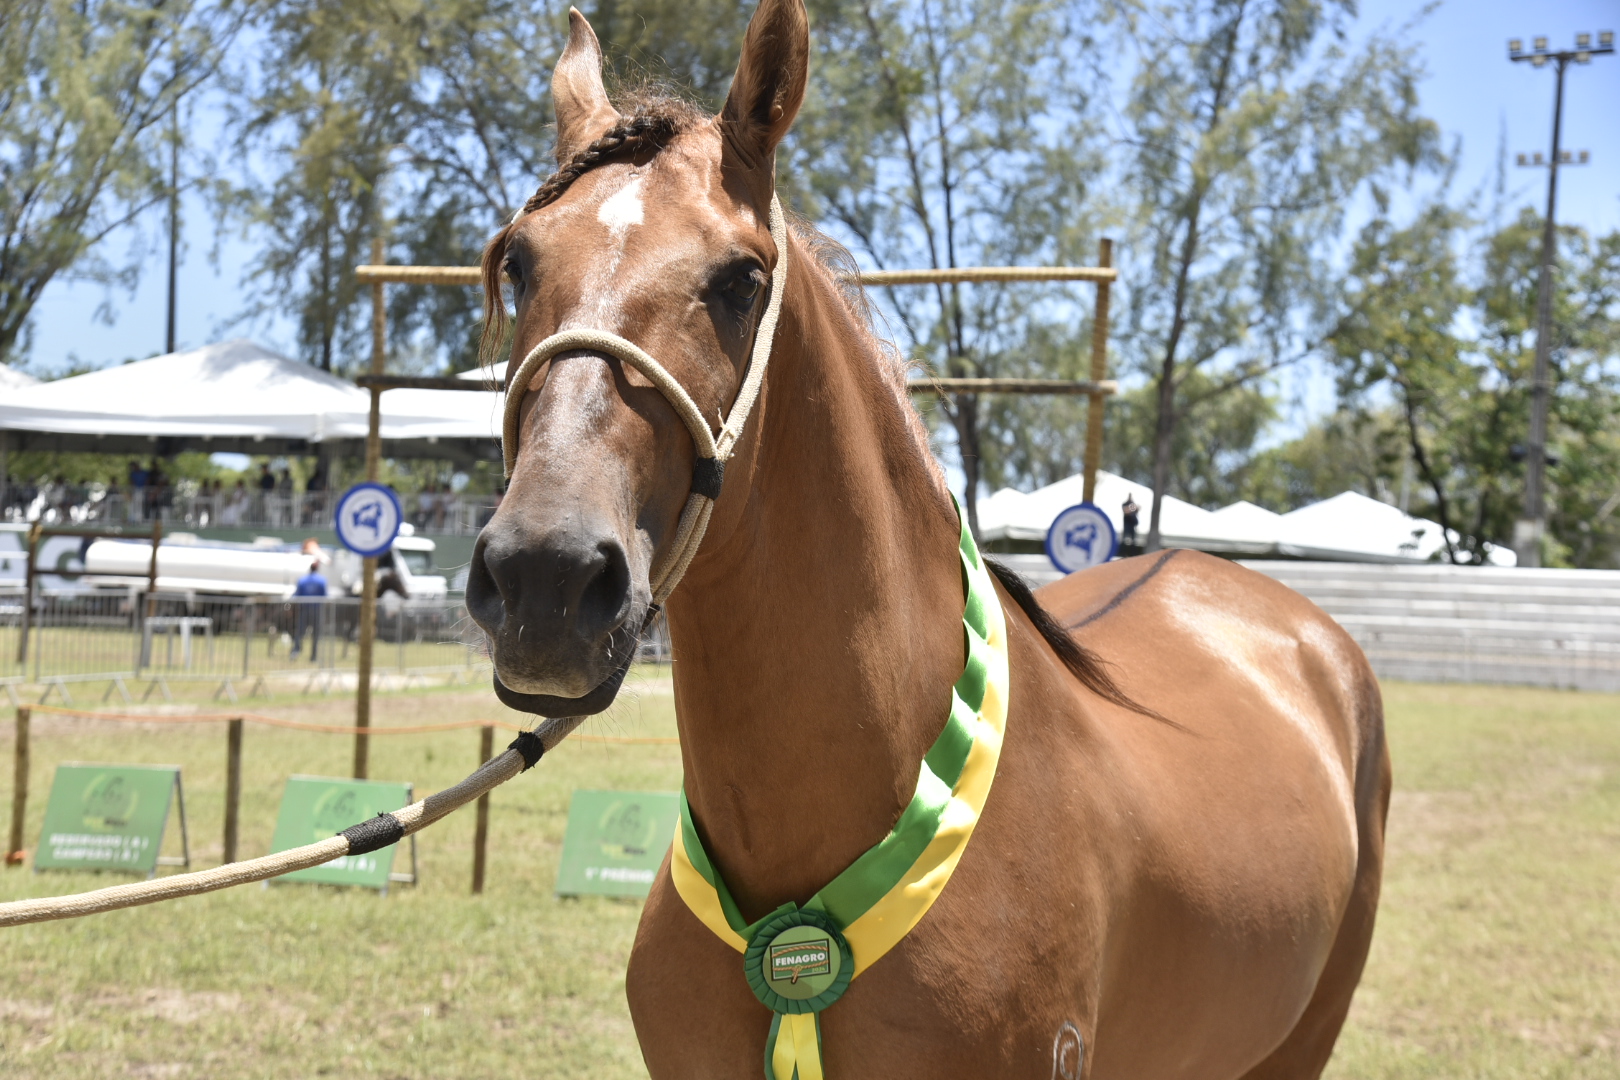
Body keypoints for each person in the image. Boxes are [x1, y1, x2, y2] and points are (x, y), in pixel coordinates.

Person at [290, 560, 328, 662]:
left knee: (300, 633)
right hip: (317, 610)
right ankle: (313, 657)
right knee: (316, 635)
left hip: (304, 610)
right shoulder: (322, 580)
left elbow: (297, 595)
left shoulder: (302, 580)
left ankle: (295, 652)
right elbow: (325, 596)